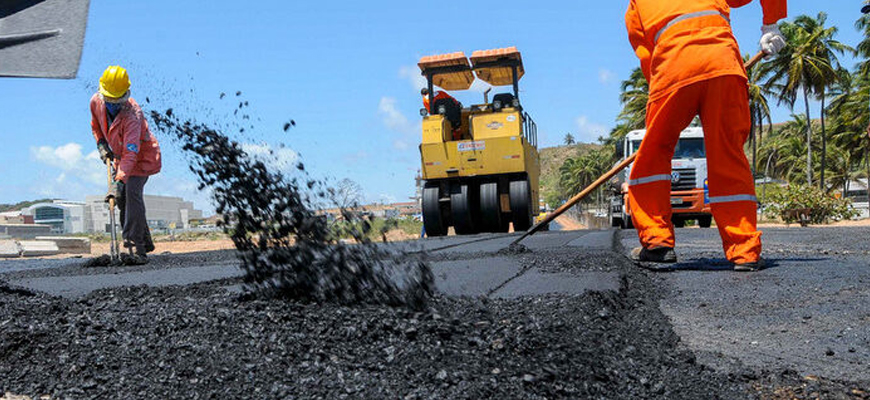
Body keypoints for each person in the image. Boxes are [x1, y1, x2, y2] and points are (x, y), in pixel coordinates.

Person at [624, 0, 787, 271]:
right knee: (728, 155)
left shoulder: (636, 4)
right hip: (723, 65)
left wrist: (664, 90)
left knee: (653, 155)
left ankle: (657, 244)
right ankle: (744, 250)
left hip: (673, 69)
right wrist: (771, 25)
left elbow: (646, 55)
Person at [90, 65, 162, 265]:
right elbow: (95, 125)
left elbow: (132, 152)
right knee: (121, 202)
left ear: (125, 95)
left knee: (130, 194)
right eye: (109, 101)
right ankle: (145, 241)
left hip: (141, 158)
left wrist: (119, 181)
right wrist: (101, 144)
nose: (113, 105)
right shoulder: (96, 101)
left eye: (117, 101)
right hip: (121, 159)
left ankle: (135, 248)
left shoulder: (133, 115)